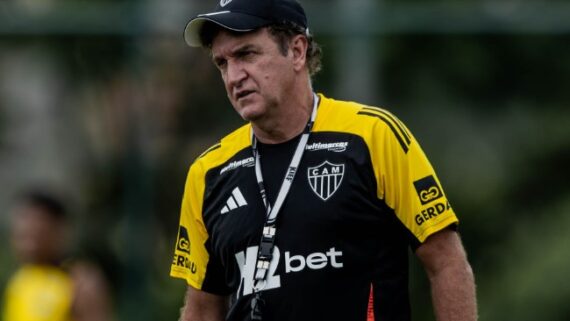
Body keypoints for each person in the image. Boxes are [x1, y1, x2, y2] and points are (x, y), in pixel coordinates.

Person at [169, 0, 478, 320]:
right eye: (222, 63)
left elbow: (446, 263)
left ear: (297, 51)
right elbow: (203, 308)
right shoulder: (209, 172)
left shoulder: (372, 137)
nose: (234, 76)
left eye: (247, 54)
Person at [2, 190, 114, 321]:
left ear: (58, 230)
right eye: (22, 235)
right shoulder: (19, 279)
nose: (26, 241)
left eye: (35, 231)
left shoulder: (79, 281)